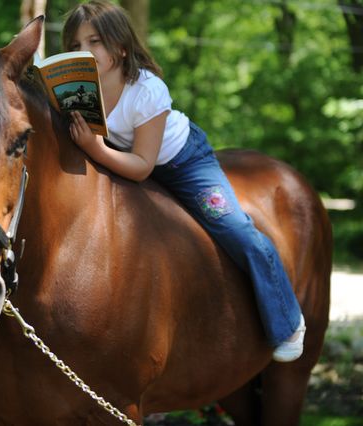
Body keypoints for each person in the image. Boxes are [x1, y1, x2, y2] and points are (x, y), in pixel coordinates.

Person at [62, 0, 305, 362]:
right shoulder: (78, 89)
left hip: (183, 163)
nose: (84, 51)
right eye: (75, 45)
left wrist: (94, 149)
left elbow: (142, 166)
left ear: (121, 47)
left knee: (237, 230)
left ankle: (288, 321)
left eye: (94, 41)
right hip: (119, 158)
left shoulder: (147, 90)